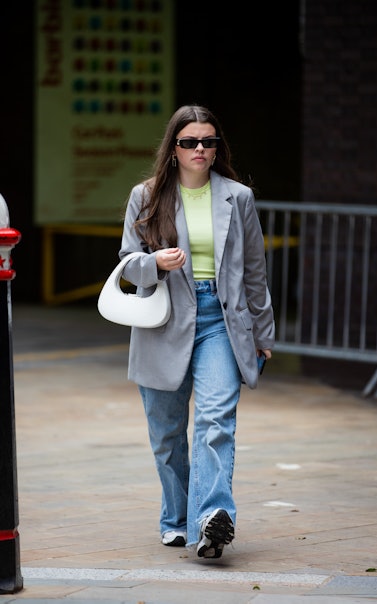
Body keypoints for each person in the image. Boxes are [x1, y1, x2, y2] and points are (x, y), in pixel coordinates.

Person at [119, 104, 275, 559]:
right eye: (190, 142)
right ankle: (175, 518)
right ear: (173, 150)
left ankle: (211, 519)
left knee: (215, 421)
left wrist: (263, 333)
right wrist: (154, 262)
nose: (200, 149)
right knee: (167, 434)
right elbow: (129, 265)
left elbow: (254, 272)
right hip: (164, 318)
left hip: (222, 321)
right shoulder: (145, 196)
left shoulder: (238, 197)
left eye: (209, 141)